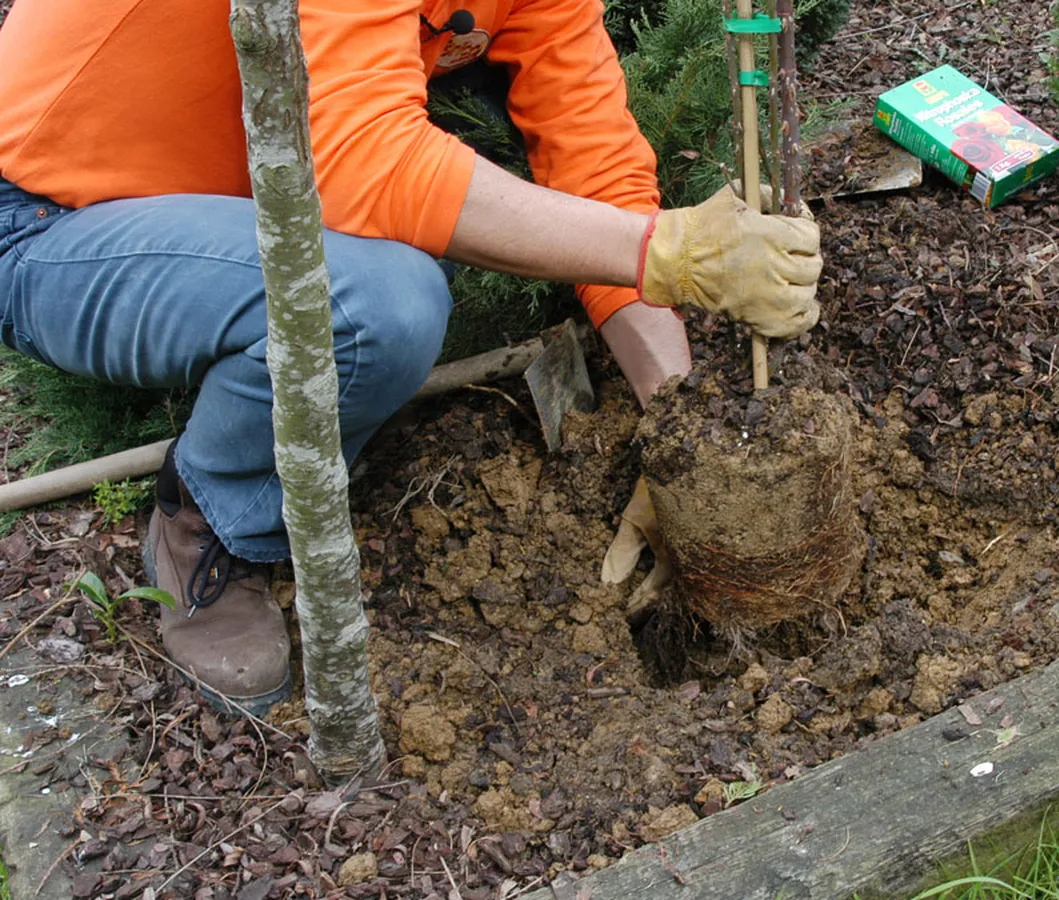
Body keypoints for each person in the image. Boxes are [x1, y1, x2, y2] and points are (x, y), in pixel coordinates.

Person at [0, 0, 822, 715]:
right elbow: (367, 157)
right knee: (377, 305)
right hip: (48, 215)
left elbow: (596, 170)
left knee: (403, 269)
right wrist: (665, 250)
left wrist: (679, 430)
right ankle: (211, 518)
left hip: (216, 198)